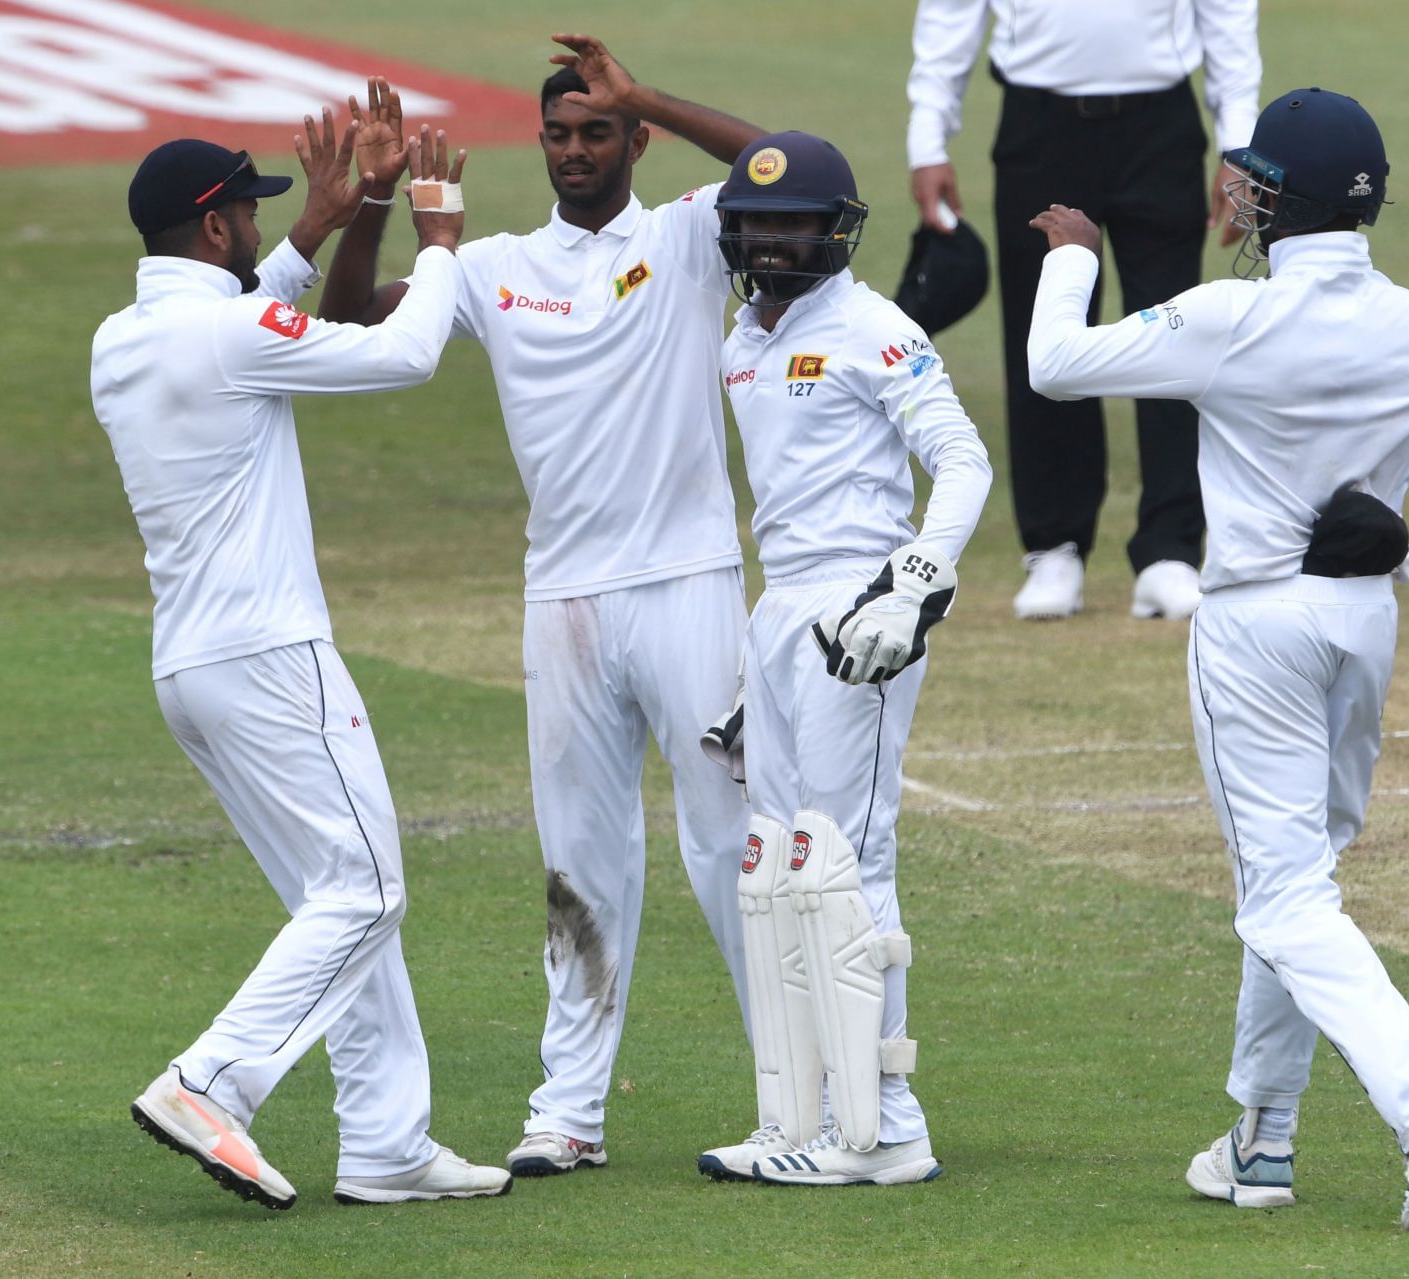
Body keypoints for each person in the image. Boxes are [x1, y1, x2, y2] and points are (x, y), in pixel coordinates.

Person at [1026, 87, 1409, 1228]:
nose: (1238, 197)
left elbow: (1054, 367)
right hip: (1363, 622)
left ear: (1281, 202)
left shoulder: (1233, 314)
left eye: (1254, 184)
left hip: (1256, 627)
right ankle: (1261, 1141)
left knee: (1282, 898)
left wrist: (1075, 259)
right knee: (1296, 885)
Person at [317, 47, 767, 1176]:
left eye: (599, 134)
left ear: (634, 145)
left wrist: (649, 90)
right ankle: (569, 1111)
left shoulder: (686, 237)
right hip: (561, 600)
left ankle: (799, 1092)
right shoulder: (492, 264)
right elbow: (351, 321)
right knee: (578, 864)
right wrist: (382, 201)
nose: (576, 152)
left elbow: (780, 165)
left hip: (688, 586)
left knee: (733, 845)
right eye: (562, 136)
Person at [94, 112, 510, 1208]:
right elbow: (407, 352)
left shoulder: (123, 339)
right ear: (215, 225)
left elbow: (242, 318)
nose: (260, 221)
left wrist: (324, 224)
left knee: (343, 894)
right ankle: (211, 1081)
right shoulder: (230, 337)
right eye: (252, 210)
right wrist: (439, 236)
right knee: (368, 889)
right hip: (272, 657)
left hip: (194, 668)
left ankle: (385, 1143)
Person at [693, 132, 991, 1187]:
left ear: (834, 230)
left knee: (848, 862)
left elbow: (962, 461)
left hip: (859, 612)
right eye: (754, 223)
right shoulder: (742, 339)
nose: (770, 241)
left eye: (791, 223)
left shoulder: (875, 328)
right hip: (780, 614)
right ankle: (808, 1114)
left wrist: (911, 586)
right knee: (778, 866)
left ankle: (889, 1125)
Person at [905, 0, 1262, 621]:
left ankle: (1171, 549)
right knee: (1041, 324)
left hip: (1161, 125)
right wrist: (927, 139)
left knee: (1177, 330)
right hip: (1040, 127)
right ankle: (1054, 546)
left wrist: (1240, 143)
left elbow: (1228, 14)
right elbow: (950, 12)